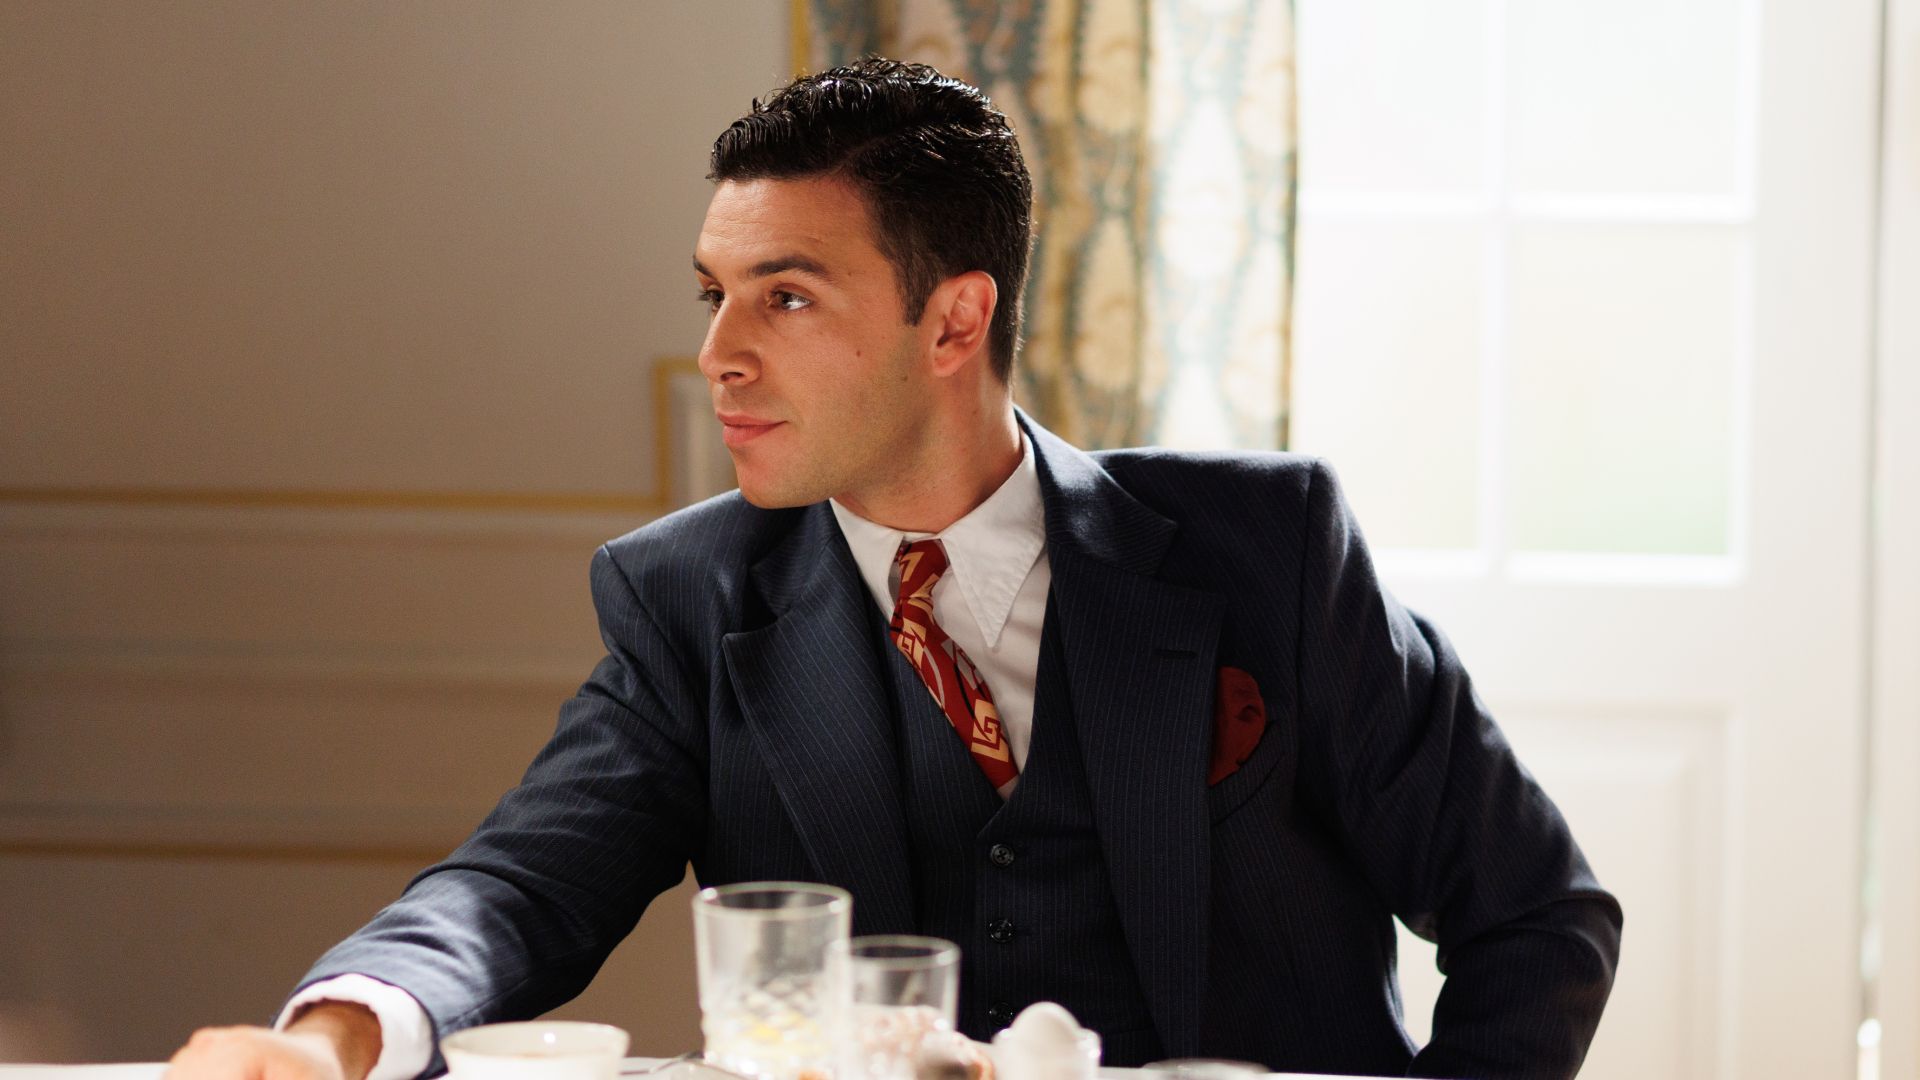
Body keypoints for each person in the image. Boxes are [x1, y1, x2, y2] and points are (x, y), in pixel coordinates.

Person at [166, 58, 1621, 1080]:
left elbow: (1537, 914)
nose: (718, 353)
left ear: (954, 321)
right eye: (714, 294)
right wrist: (337, 1034)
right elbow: (517, 887)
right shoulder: (687, 600)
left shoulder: (1270, 551)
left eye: (786, 297)